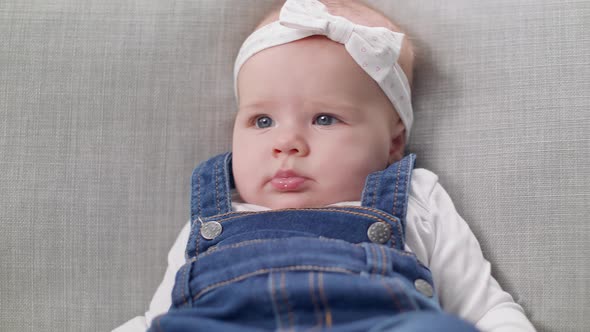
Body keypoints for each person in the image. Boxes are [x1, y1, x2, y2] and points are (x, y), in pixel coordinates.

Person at [115, 0, 536, 331]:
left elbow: (483, 306)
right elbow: (157, 316)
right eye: (262, 121)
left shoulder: (416, 196)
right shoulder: (213, 214)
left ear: (392, 143)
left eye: (324, 119)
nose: (287, 144)